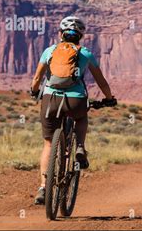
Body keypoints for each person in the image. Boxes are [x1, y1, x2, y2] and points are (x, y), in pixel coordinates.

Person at [30, 16, 114, 205]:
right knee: (81, 118)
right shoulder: (85, 53)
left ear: (61, 34)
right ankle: (80, 147)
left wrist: (34, 92)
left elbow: (37, 78)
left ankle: (43, 187)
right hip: (76, 100)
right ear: (80, 37)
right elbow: (101, 81)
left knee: (49, 144)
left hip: (50, 99)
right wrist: (109, 99)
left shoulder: (49, 51)